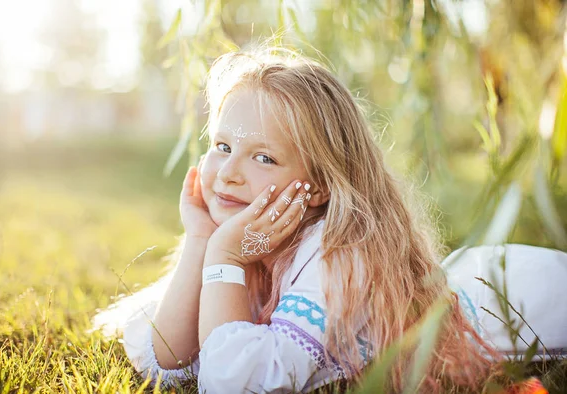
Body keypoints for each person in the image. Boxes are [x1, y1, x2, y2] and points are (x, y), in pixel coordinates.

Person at [91, 48, 565, 393]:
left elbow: (236, 383)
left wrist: (222, 257)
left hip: (514, 297)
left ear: (318, 186)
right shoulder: (246, 243)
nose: (229, 173)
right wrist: (200, 239)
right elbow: (165, 361)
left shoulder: (338, 254)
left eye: (263, 157)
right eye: (222, 146)